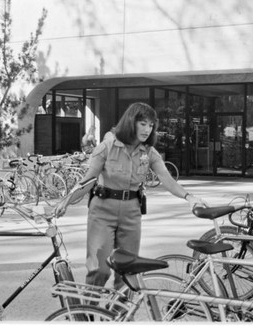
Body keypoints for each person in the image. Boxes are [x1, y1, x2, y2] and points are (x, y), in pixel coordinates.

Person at [80, 102, 207, 290]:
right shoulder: (107, 147)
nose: (148, 129)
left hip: (131, 212)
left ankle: (120, 314)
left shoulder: (149, 152)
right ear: (131, 122)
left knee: (129, 270)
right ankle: (88, 314)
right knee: (100, 269)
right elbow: (87, 180)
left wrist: (189, 197)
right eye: (143, 124)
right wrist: (65, 202)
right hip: (102, 211)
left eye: (151, 125)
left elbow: (167, 179)